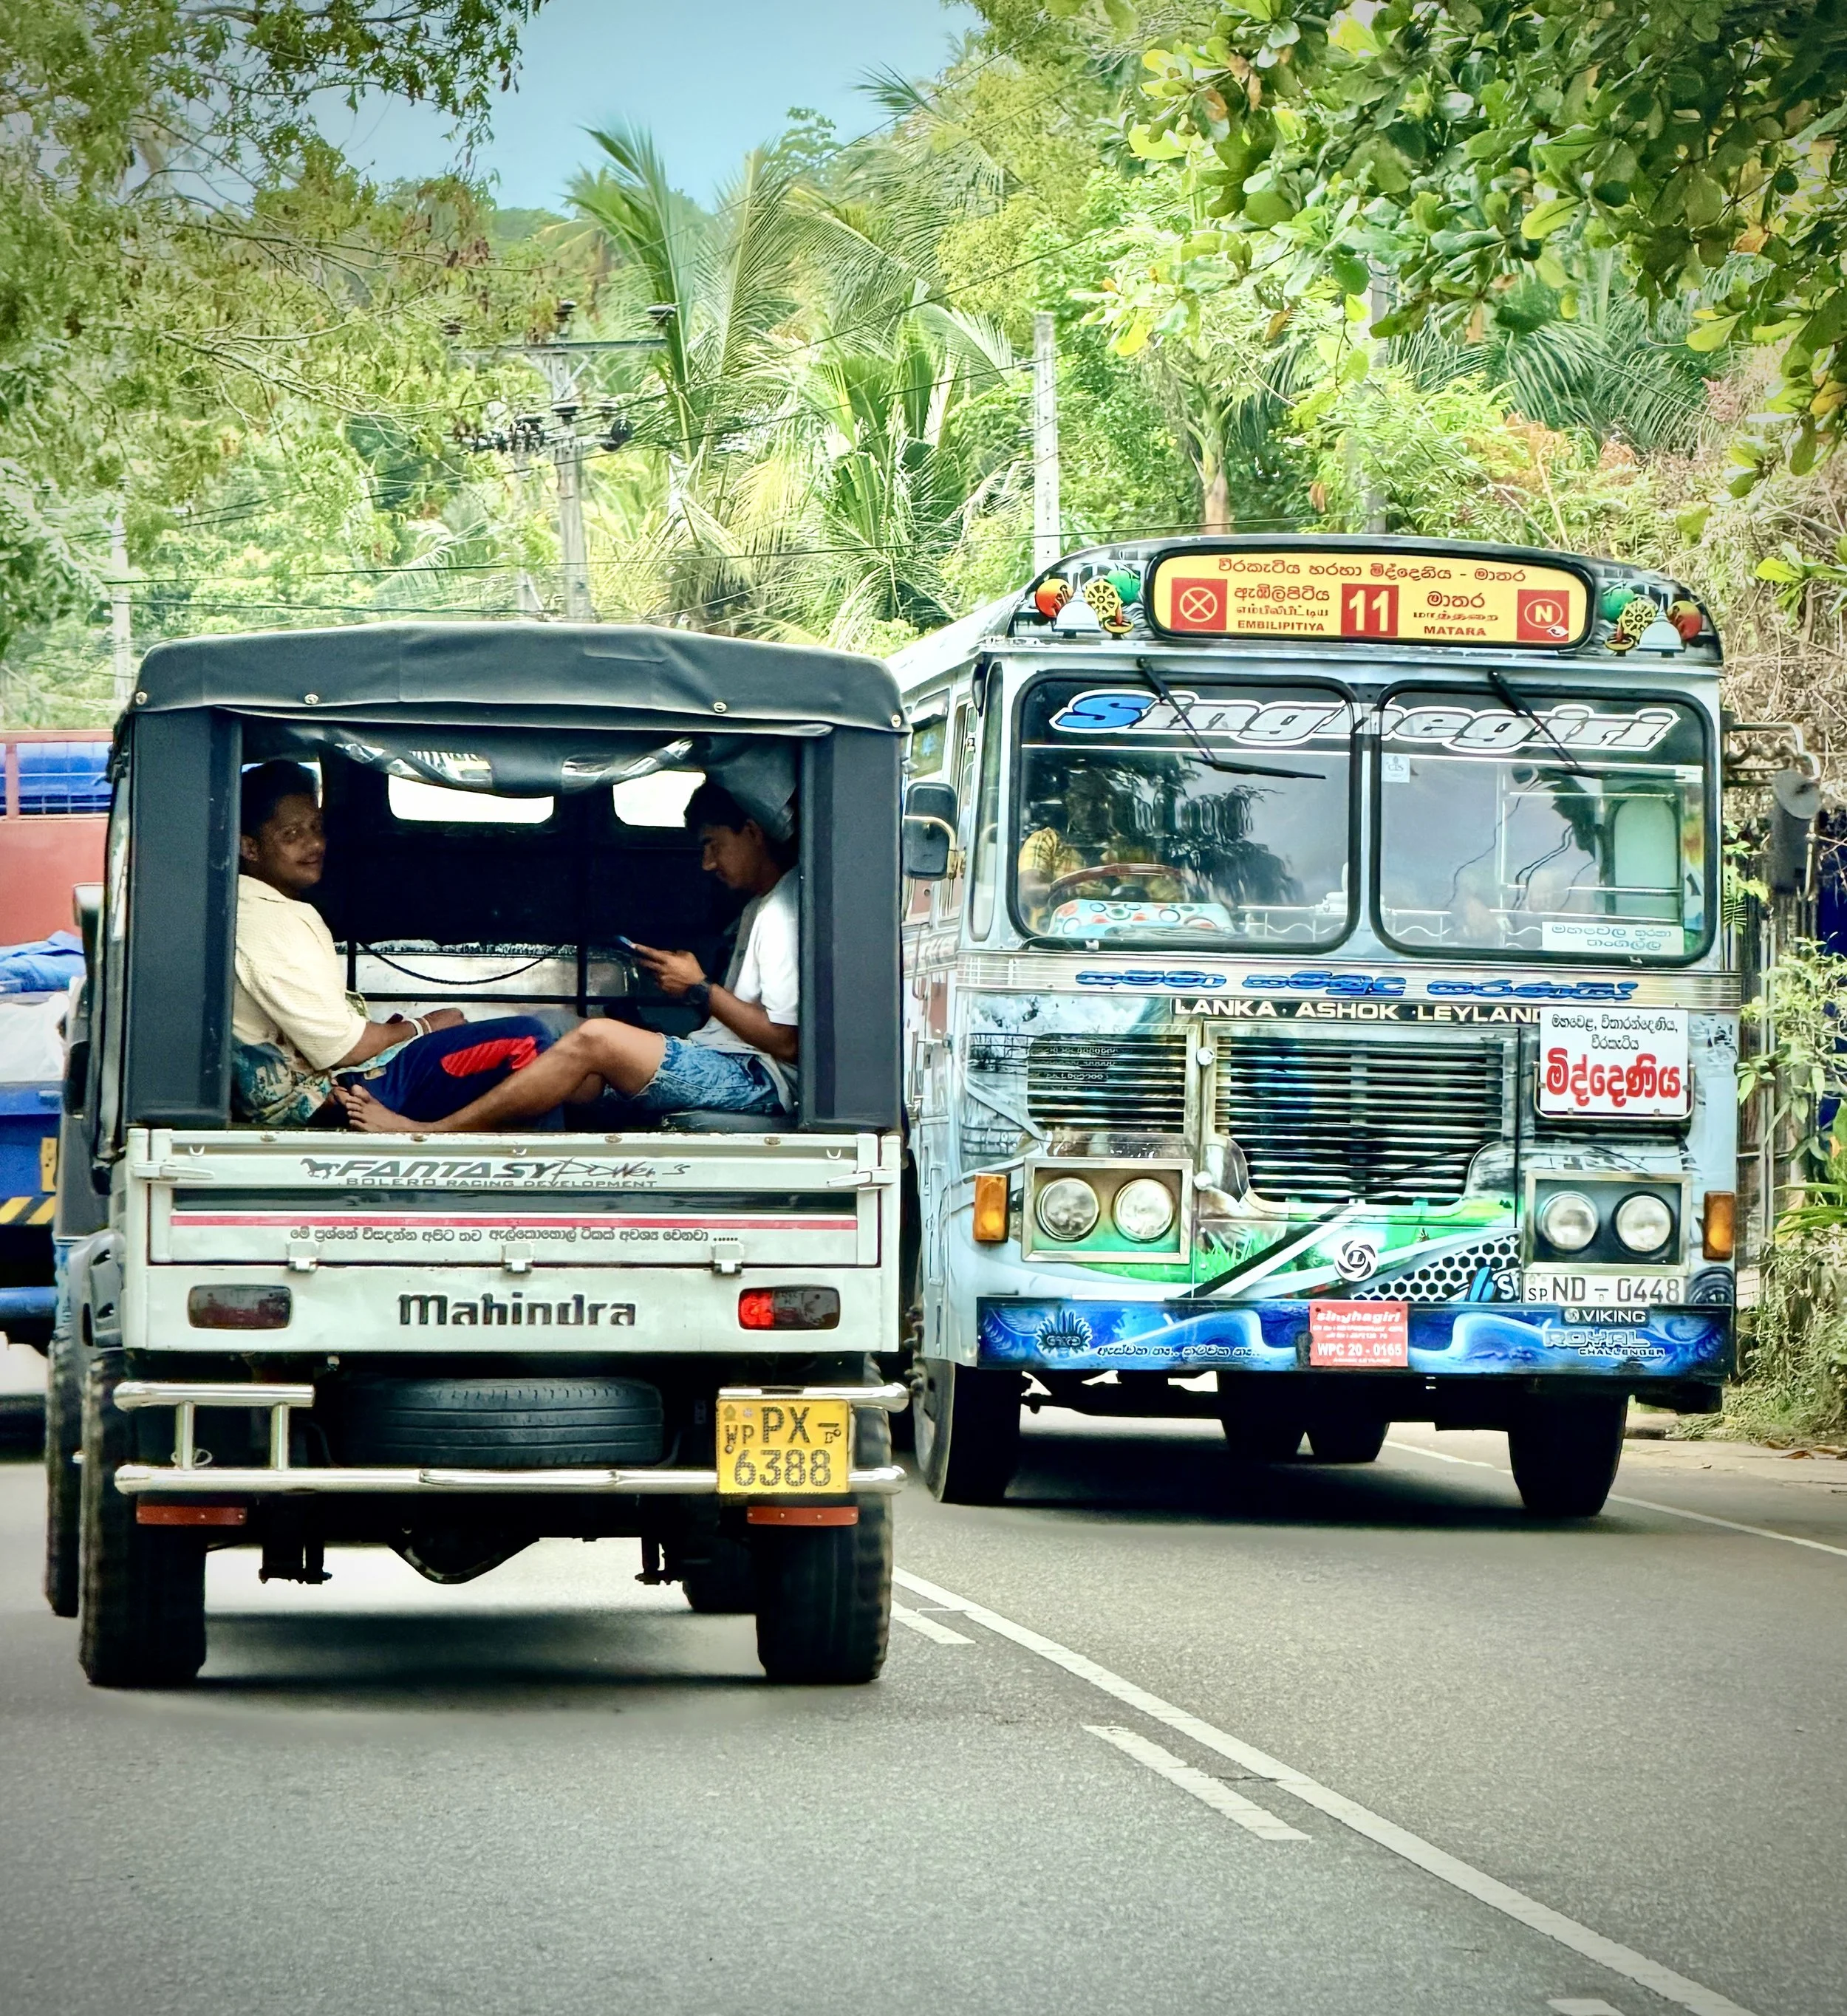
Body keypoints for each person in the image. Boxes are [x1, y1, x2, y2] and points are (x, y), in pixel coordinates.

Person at [339, 780, 798, 1134]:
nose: (707, 863)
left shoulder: (785, 910)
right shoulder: (760, 904)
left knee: (596, 1038)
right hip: (723, 1057)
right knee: (552, 1032)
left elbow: (785, 1041)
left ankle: (432, 1132)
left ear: (752, 833)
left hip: (757, 1081)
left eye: (713, 844)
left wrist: (699, 988)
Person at [231, 762, 559, 1127]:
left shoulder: (262, 907)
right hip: (330, 1096)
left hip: (334, 1081)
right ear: (250, 848)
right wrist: (425, 1026)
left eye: (317, 829)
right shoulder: (266, 921)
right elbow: (346, 1048)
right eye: (292, 834)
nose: (315, 844)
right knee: (533, 1039)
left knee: (559, 1050)